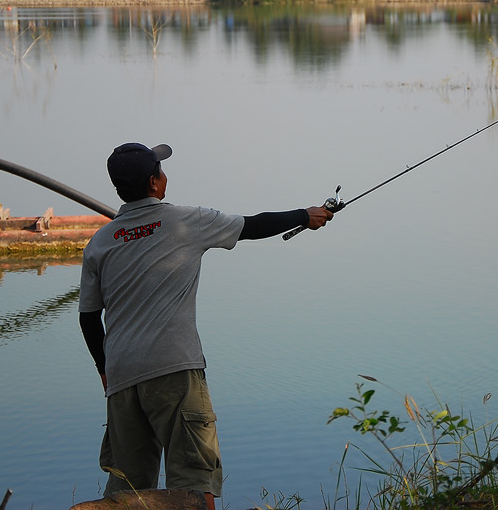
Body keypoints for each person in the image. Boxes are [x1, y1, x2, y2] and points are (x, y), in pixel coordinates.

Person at [79, 142, 333, 508]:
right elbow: (252, 225)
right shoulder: (187, 222)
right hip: (175, 370)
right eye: (161, 171)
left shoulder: (99, 242)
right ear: (154, 183)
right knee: (195, 482)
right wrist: (304, 215)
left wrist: (105, 370)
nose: (166, 176)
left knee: (128, 493)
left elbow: (88, 316)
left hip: (121, 377)